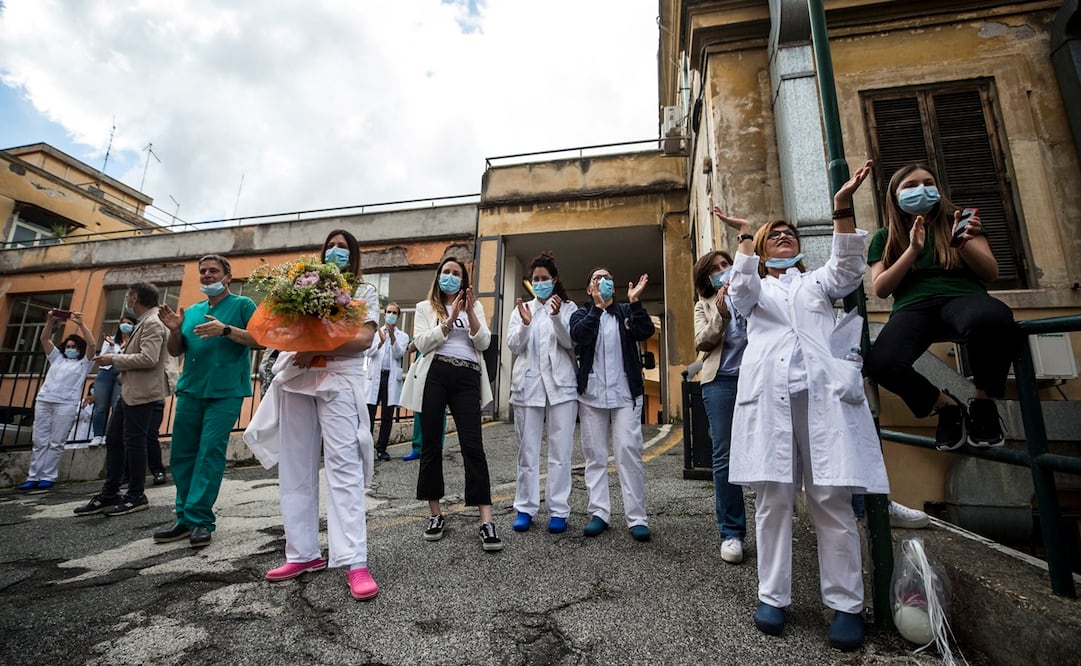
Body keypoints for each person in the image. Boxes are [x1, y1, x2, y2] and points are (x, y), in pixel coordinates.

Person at [714, 159, 888, 652]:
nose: (785, 237)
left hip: (822, 400)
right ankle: (772, 596)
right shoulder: (753, 286)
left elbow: (850, 268)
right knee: (773, 500)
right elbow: (740, 294)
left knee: (831, 498)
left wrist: (841, 208)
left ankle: (846, 604)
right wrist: (745, 237)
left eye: (790, 233)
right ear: (764, 251)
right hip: (770, 401)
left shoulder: (818, 284)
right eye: (775, 236)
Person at [864, 162, 1022, 451]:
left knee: (994, 318)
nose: (921, 189)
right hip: (913, 307)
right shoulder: (884, 236)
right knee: (881, 363)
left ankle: (984, 402)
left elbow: (990, 273)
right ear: (895, 195)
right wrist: (912, 250)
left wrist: (962, 243)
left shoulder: (961, 220)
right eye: (910, 186)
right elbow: (881, 288)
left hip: (963, 298)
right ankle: (945, 406)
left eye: (927, 182)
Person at [259, 229, 381, 601]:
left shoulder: (364, 292)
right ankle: (303, 553)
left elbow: (363, 339)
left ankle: (354, 561)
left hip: (339, 380)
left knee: (343, 467)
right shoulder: (300, 287)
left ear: (354, 255)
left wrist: (317, 347)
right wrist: (304, 348)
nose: (335, 251)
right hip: (299, 377)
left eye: (343, 247)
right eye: (331, 246)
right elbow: (280, 330)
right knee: (296, 466)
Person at [153, 255, 258, 548]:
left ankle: (201, 519)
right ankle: (184, 518)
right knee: (182, 455)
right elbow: (176, 351)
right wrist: (174, 330)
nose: (207, 275)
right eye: (203, 272)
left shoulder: (242, 305)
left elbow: (260, 338)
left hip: (225, 392)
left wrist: (226, 329)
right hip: (191, 391)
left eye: (214, 271)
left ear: (227, 277)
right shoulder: (192, 311)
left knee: (209, 453)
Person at [399, 256, 503, 552]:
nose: (450, 276)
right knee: (432, 444)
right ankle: (435, 514)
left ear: (464, 281)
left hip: (467, 376)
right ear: (438, 276)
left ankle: (486, 520)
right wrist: (447, 321)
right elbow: (421, 343)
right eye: (446, 272)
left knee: (473, 446)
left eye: (456, 273)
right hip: (435, 374)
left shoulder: (477, 307)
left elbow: (483, 343)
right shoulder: (424, 307)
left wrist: (468, 312)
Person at [569, 268, 655, 542]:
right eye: (596, 277)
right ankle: (599, 513)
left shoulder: (626, 312)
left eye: (607, 277)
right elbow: (579, 336)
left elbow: (645, 330)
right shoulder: (581, 314)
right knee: (595, 455)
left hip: (625, 395)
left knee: (628, 452)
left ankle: (637, 518)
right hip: (592, 396)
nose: (603, 281)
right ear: (588, 287)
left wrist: (636, 303)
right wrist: (596, 309)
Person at [73, 282, 171, 517]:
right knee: (115, 439)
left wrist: (114, 360)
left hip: (142, 393)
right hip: (130, 390)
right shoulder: (144, 321)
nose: (127, 299)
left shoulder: (153, 322)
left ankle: (136, 495)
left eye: (128, 295)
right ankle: (110, 493)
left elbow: (148, 358)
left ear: (135, 297)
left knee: (134, 442)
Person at [506, 251, 579, 534]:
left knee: (560, 452)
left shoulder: (568, 307)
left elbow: (569, 342)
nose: (539, 283)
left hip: (561, 388)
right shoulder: (521, 309)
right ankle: (525, 507)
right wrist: (525, 324)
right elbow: (514, 346)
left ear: (554, 279)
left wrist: (558, 317)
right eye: (535, 279)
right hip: (528, 388)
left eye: (544, 278)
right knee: (527, 451)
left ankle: (558, 510)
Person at [692, 250, 748, 563]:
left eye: (726, 265)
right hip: (721, 381)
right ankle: (731, 532)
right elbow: (702, 340)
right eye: (715, 269)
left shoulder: (752, 290)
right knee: (725, 455)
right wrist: (721, 315)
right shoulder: (704, 304)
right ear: (706, 278)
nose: (723, 270)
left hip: (757, 377)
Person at [16, 310, 96, 493]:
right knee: (39, 440)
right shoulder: (57, 358)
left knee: (56, 441)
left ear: (79, 349)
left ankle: (48, 476)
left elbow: (92, 344)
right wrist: (50, 322)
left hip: (66, 404)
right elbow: (44, 339)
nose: (70, 348)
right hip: (45, 400)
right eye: (67, 345)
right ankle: (33, 476)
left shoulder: (84, 363)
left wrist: (82, 324)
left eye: (74, 346)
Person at [365, 302, 408, 461]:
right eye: (389, 311)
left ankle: (382, 449)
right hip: (375, 377)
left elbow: (398, 354)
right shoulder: (375, 333)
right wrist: (381, 342)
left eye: (394, 313)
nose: (391, 315)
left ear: (398, 316)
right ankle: (367, 448)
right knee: (369, 413)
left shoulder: (402, 336)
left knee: (387, 415)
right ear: (384, 314)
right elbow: (368, 352)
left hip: (390, 378)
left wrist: (392, 338)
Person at [89, 316, 134, 446]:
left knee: (116, 406)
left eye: (129, 323)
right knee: (101, 406)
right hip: (106, 372)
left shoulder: (134, 341)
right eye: (123, 322)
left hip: (122, 373)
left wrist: (115, 348)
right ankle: (97, 435)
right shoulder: (111, 340)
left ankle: (109, 435)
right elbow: (103, 358)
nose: (125, 325)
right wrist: (115, 347)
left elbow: (128, 358)